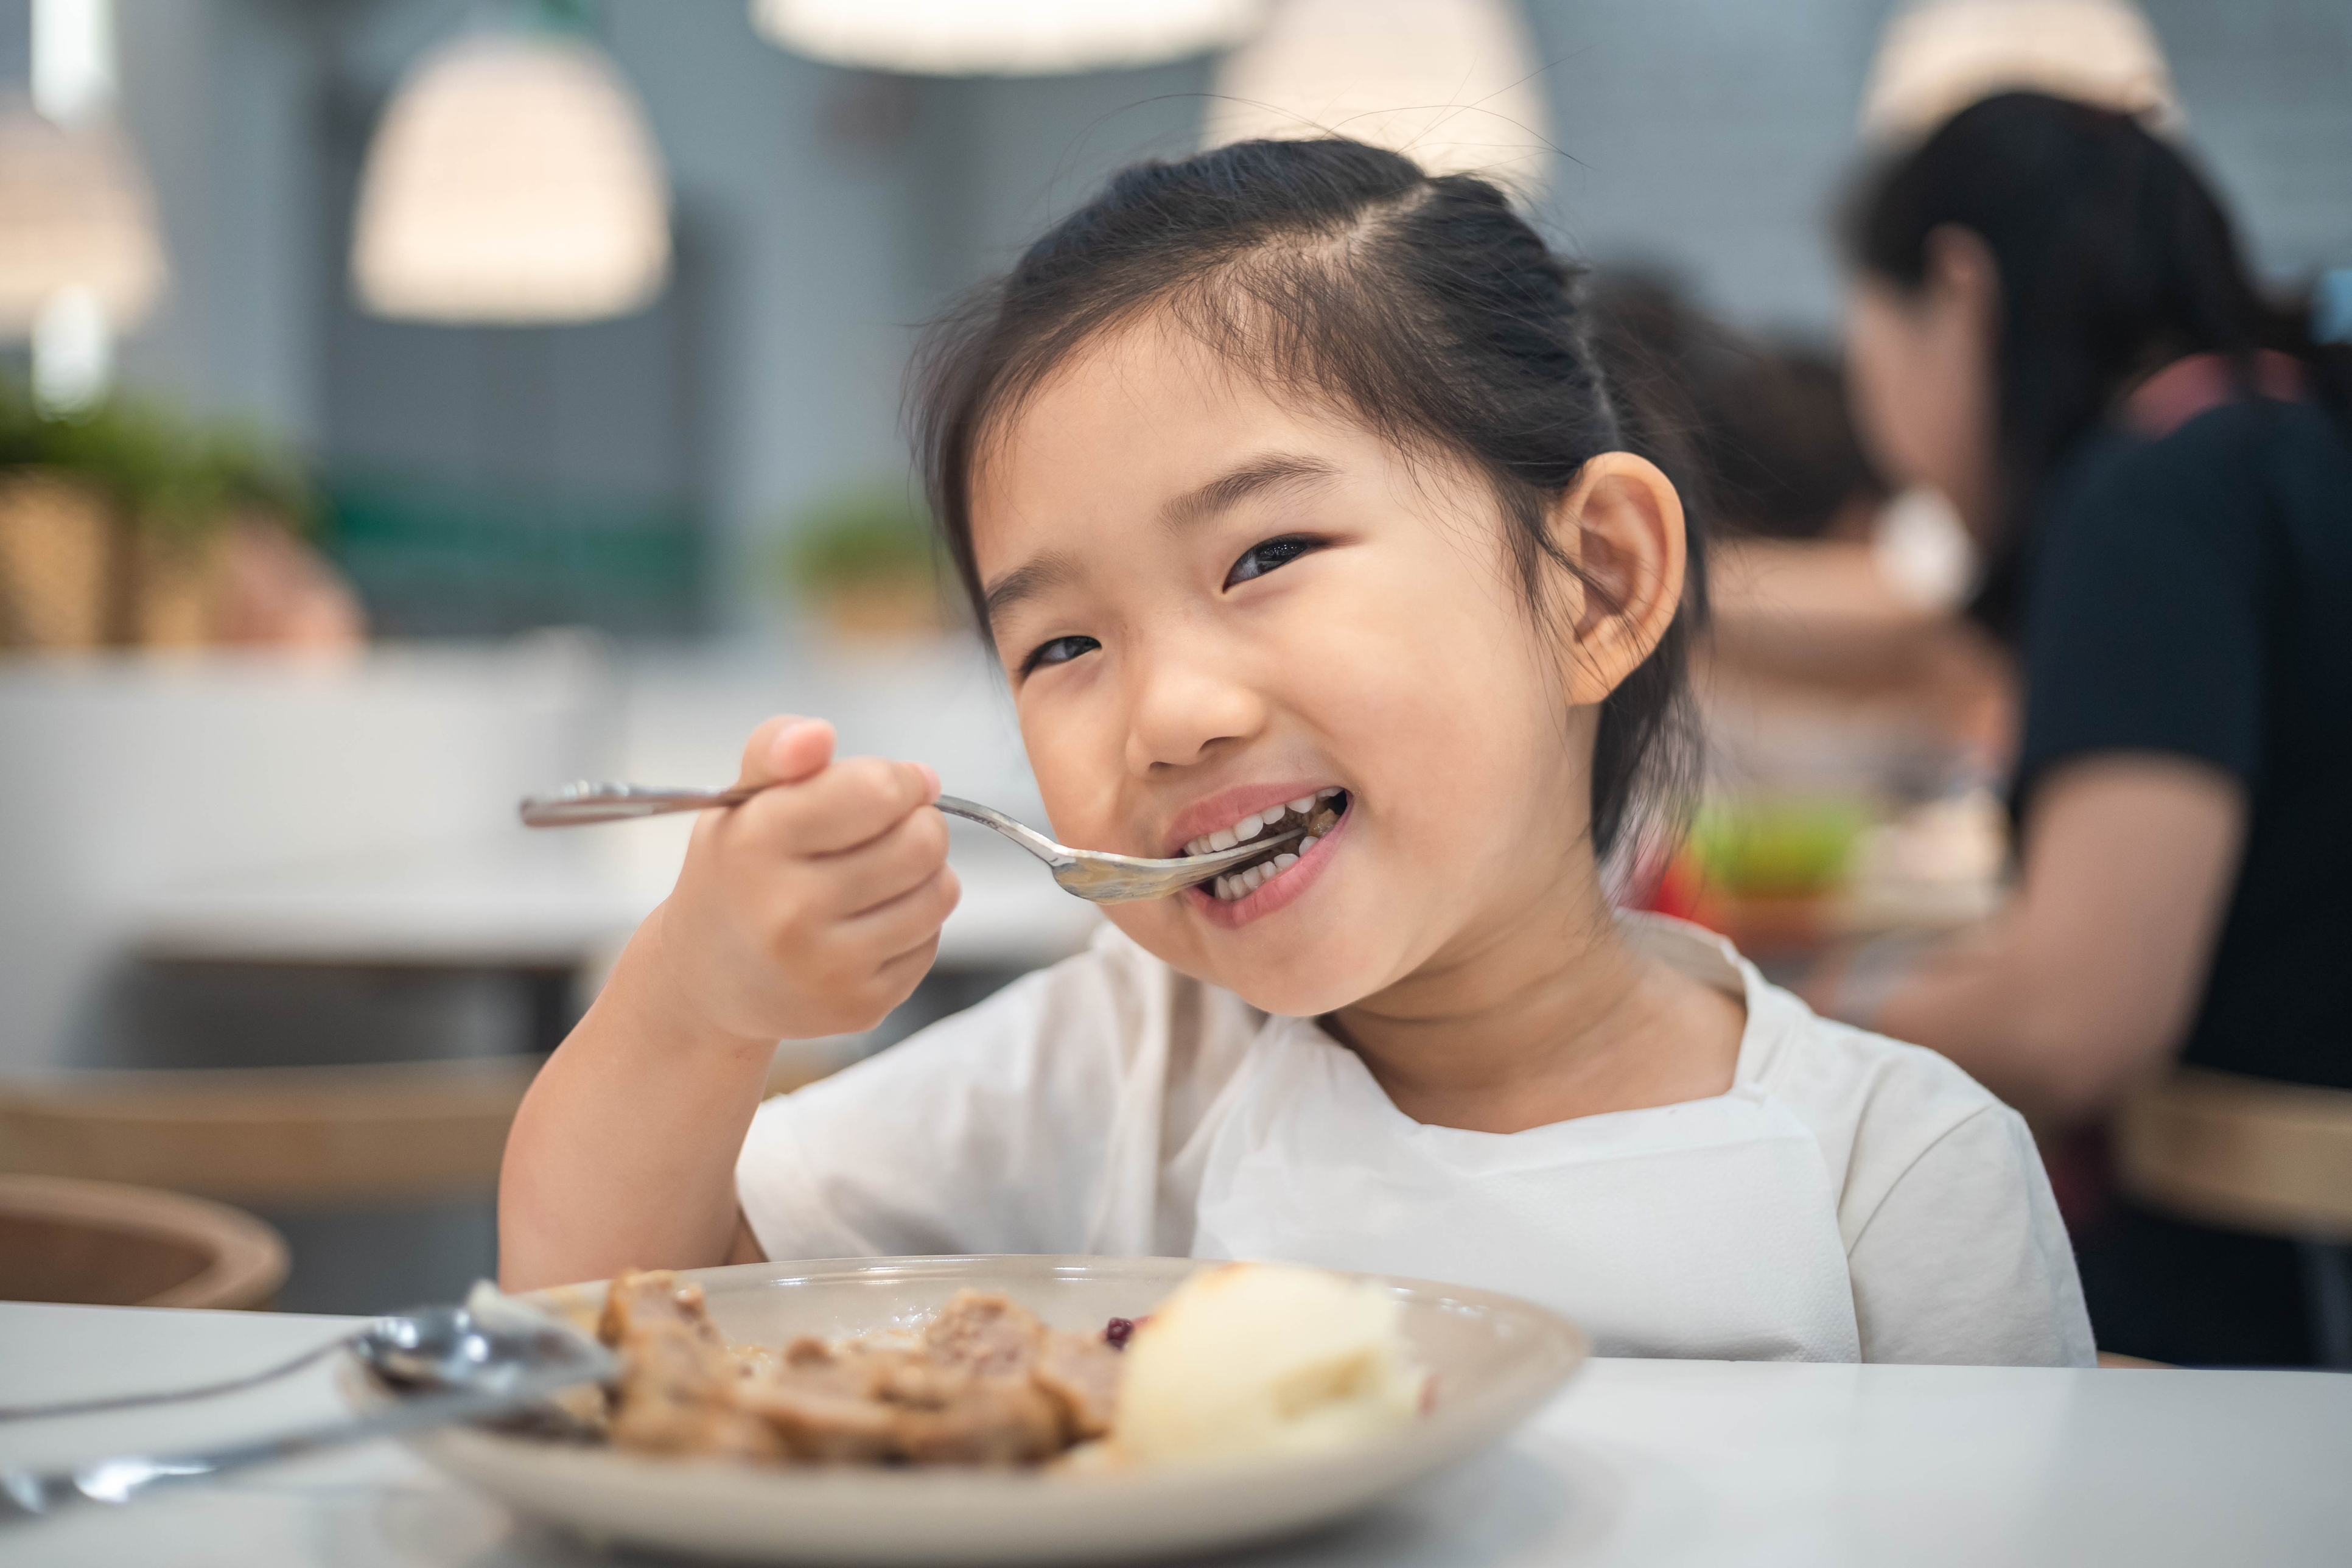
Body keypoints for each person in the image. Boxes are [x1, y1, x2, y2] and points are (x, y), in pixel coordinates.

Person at [500, 138, 2091, 1366]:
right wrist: (700, 1002)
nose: (1169, 712)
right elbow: (596, 1316)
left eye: (1264, 558)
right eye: (1062, 645)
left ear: (1593, 582)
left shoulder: (1897, 1172)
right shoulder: (1131, 1066)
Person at [1821, 93, 2352, 1365]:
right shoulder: (2272, 434)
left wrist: (1796, 1022)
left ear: (1958, 292)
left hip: (2273, 1299)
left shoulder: (2158, 486)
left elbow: (2080, 1015)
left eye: (1871, 351)